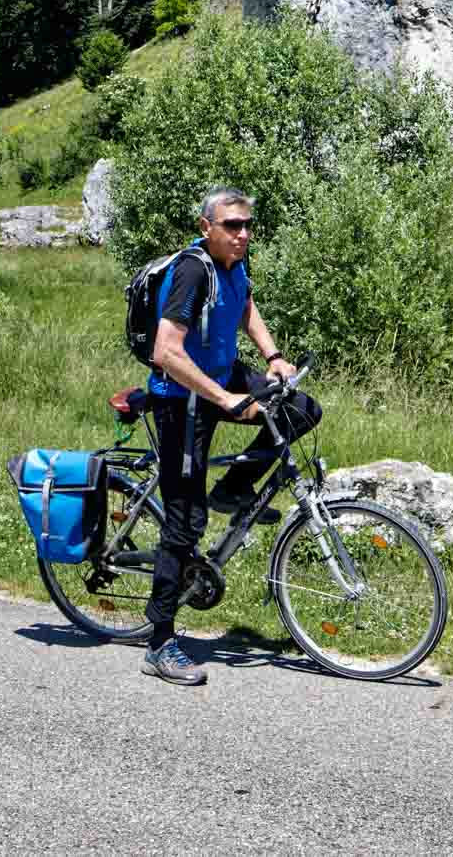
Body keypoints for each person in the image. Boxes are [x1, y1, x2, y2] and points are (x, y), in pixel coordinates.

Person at [138, 187, 319, 686]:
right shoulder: (194, 270)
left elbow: (245, 308)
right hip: (182, 400)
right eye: (231, 226)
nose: (241, 234)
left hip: (221, 377)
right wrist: (223, 399)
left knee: (300, 408)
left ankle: (236, 487)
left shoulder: (234, 265)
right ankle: (159, 643)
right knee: (185, 522)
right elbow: (166, 352)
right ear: (206, 228)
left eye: (246, 225)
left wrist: (273, 356)